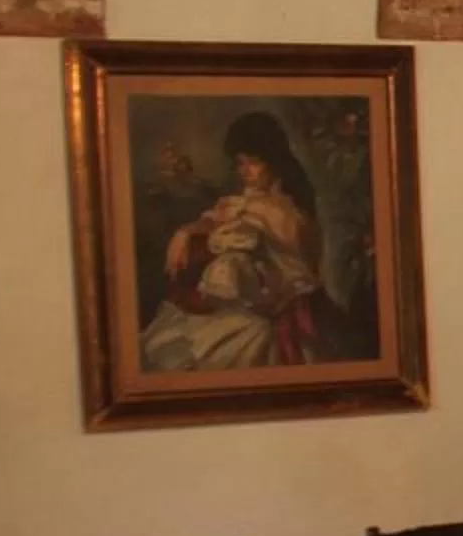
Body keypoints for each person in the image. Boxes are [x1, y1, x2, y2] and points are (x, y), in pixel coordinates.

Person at [139, 112, 329, 371]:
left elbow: (291, 275)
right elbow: (216, 218)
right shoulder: (247, 202)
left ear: (273, 160)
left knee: (240, 342)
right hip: (252, 303)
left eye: (253, 162)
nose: (245, 172)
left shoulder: (285, 212)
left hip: (281, 314)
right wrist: (186, 232)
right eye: (240, 163)